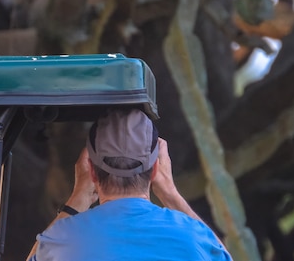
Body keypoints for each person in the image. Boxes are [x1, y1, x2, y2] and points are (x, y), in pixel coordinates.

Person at [26, 108, 233, 261]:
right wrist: (170, 193)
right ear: (154, 171)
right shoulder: (194, 238)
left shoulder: (62, 239)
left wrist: (77, 199)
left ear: (90, 171)